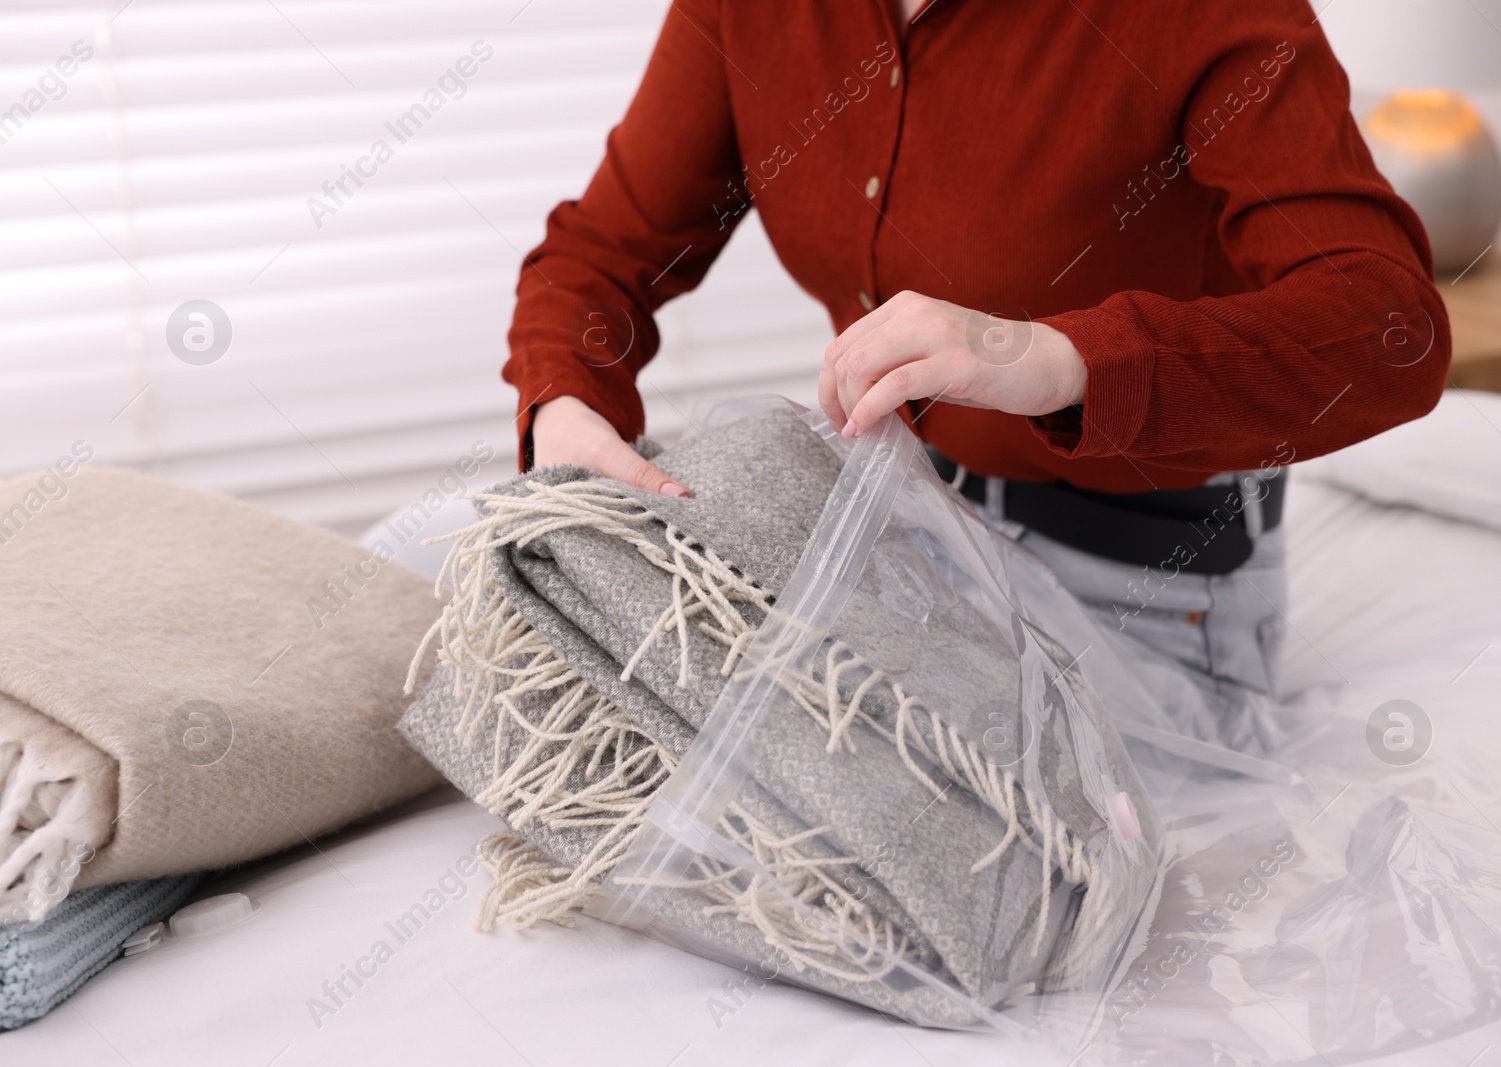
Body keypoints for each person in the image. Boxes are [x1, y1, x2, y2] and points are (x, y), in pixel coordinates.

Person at [500, 0, 1450, 753]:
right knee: (566, 675)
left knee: (798, 774)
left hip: (1147, 594)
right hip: (906, 539)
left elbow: (1388, 327)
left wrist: (1057, 358)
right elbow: (603, 256)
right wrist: (565, 402)